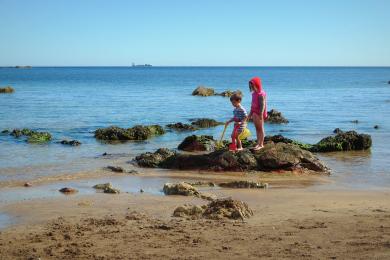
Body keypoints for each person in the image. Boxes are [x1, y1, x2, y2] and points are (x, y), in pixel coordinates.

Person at [247, 77, 267, 150]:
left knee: (261, 129)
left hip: (259, 114)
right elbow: (252, 105)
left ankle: (261, 144)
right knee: (257, 129)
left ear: (257, 84)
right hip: (254, 113)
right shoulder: (254, 94)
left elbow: (263, 105)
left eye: (252, 85)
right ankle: (258, 143)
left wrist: (261, 114)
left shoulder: (261, 94)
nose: (251, 87)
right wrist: (250, 114)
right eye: (250, 86)